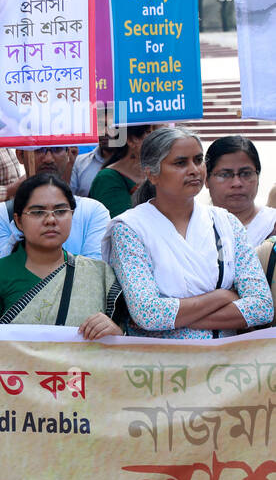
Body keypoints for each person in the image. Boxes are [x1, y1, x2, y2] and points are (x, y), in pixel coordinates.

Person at [103, 127, 273, 340]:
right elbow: (148, 313)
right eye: (180, 163)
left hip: (226, 363)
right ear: (151, 174)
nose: (194, 170)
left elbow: (262, 306)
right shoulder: (130, 229)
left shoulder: (226, 223)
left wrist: (175, 317)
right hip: (162, 365)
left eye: (198, 159)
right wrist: (224, 296)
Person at [0, 174, 122, 335]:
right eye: (37, 212)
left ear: (72, 215)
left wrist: (115, 333)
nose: (50, 220)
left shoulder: (97, 274)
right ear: (19, 221)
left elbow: (125, 342)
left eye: (61, 211)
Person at [0, 146, 111, 259]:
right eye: (38, 150)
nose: (48, 159)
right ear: (20, 154)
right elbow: (3, 277)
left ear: (69, 153)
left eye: (57, 149)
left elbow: (94, 272)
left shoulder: (94, 211)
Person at [205, 135, 276, 247]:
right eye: (225, 175)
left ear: (258, 177)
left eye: (246, 173)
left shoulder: (272, 225)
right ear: (206, 179)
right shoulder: (193, 228)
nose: (237, 183)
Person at [88, 124, 151, 219]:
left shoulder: (159, 173)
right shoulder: (108, 179)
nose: (163, 139)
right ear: (131, 140)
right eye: (149, 132)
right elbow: (121, 227)